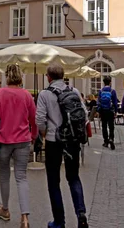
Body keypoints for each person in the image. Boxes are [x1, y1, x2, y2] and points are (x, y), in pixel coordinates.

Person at [36, 63, 88, 228]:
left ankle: (59, 222)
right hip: (72, 140)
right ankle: (81, 214)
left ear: (48, 77)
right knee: (73, 177)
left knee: (53, 181)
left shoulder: (45, 94)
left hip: (54, 141)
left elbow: (40, 120)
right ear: (63, 76)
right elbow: (84, 115)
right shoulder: (74, 91)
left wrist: (44, 134)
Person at [0, 64, 38, 228]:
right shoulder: (26, 95)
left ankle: (5, 210)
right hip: (23, 141)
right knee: (21, 177)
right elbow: (34, 118)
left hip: (4, 140)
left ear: (7, 76)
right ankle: (25, 218)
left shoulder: (0, 93)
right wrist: (33, 135)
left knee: (4, 175)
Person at [97, 76, 119, 150]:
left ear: (103, 82)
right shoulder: (112, 91)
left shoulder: (101, 91)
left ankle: (105, 141)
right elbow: (115, 102)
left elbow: (99, 102)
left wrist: (99, 111)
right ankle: (111, 139)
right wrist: (116, 111)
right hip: (110, 111)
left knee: (104, 126)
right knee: (111, 126)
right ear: (110, 82)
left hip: (103, 111)